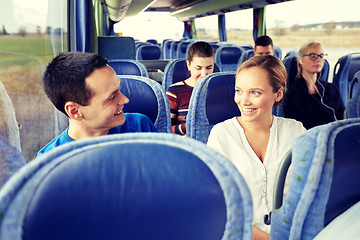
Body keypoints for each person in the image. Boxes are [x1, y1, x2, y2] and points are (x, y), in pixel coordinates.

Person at [207, 55, 306, 239]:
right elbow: (219, 207)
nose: (243, 101)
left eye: (255, 93)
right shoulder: (221, 135)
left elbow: (309, 192)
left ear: (278, 94)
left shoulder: (295, 130)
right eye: (239, 91)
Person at [37, 52, 157, 157]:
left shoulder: (141, 126)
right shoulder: (51, 161)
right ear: (75, 111)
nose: (125, 100)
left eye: (119, 90)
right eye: (112, 97)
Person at [283, 42, 345, 129]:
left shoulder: (332, 89)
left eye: (321, 56)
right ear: (300, 60)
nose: (318, 59)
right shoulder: (291, 93)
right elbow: (299, 128)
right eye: (312, 56)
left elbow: (343, 119)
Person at [166, 41, 214, 135]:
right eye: (198, 68)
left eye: (209, 68)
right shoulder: (174, 92)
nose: (204, 74)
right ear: (189, 65)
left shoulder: (219, 89)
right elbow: (166, 130)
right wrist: (191, 126)